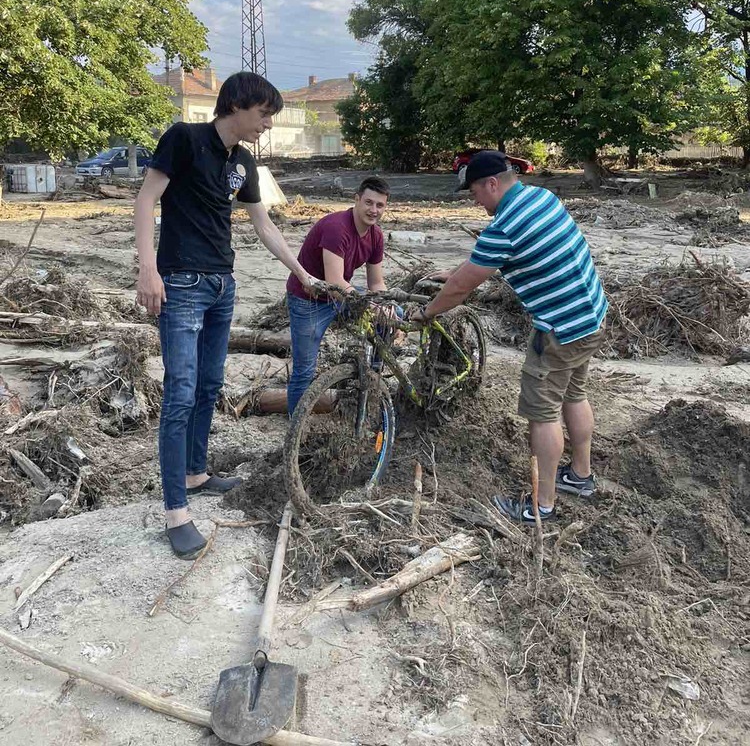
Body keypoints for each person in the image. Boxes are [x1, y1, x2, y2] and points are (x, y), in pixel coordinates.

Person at [134, 71, 315, 559]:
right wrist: (147, 271)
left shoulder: (244, 163)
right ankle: (175, 511)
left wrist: (304, 273)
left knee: (210, 386)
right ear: (236, 104)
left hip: (222, 285)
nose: (267, 125)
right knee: (180, 392)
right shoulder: (184, 138)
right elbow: (147, 199)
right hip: (181, 283)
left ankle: (195, 473)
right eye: (264, 114)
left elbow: (264, 226)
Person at [414, 151, 607, 525]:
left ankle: (542, 505)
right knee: (575, 393)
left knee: (543, 414)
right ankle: (581, 476)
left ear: (491, 184)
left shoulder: (504, 226)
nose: (474, 200)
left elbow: (461, 290)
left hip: (559, 331)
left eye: (474, 192)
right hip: (590, 317)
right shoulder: (541, 197)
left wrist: (425, 313)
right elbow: (480, 265)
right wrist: (453, 271)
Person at [285, 177, 391, 415]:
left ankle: (373, 377)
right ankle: (296, 428)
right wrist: (368, 303)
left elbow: (376, 282)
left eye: (380, 205)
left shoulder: (376, 236)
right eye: (368, 203)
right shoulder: (337, 228)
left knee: (393, 314)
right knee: (305, 370)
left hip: (340, 296)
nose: (373, 210)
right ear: (356, 200)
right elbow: (334, 282)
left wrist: (383, 304)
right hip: (308, 300)